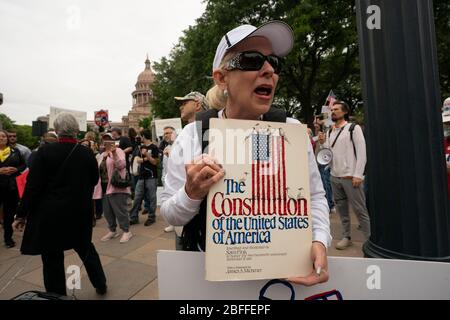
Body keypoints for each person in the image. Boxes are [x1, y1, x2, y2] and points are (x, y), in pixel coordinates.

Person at [161, 21, 331, 286]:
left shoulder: (292, 131)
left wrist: (319, 239)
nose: (269, 70)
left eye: (274, 62)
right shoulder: (193, 136)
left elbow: (316, 196)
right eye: (252, 60)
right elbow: (171, 214)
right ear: (221, 78)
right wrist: (191, 193)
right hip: (214, 282)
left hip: (282, 278)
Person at [13, 113, 107, 296]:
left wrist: (21, 214)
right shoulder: (87, 153)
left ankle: (57, 296)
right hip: (79, 213)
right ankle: (100, 283)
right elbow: (95, 180)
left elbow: (32, 187)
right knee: (86, 249)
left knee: (52, 258)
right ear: (76, 130)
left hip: (50, 215)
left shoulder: (44, 153)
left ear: (56, 131)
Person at [318, 101, 371, 250]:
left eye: (336, 109)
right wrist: (322, 143)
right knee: (342, 211)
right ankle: (346, 236)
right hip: (335, 177)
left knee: (360, 210)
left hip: (351, 177)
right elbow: (328, 154)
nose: (333, 112)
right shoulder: (330, 131)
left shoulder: (353, 129)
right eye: (332, 110)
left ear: (344, 112)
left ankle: (369, 240)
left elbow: (362, 153)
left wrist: (358, 175)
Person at [94, 133, 133, 243]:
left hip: (116, 186)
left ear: (113, 140)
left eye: (108, 139)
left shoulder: (119, 150)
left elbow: (121, 165)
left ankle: (126, 231)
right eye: (104, 139)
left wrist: (114, 152)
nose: (106, 141)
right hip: (103, 188)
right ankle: (112, 230)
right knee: (107, 212)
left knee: (120, 211)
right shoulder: (101, 155)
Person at [0, 129, 26, 248]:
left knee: (9, 213)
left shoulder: (15, 151)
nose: (2, 138)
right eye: (0, 137)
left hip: (11, 187)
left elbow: (23, 165)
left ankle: (8, 238)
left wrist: (17, 169)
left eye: (3, 137)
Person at [128, 129, 159, 226]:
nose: (139, 138)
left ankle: (151, 217)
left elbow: (155, 162)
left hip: (151, 176)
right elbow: (137, 159)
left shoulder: (154, 147)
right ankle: (133, 217)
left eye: (140, 136)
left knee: (152, 198)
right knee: (137, 197)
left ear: (144, 136)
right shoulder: (140, 147)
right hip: (141, 176)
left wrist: (146, 155)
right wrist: (141, 159)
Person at [160, 126, 177, 233]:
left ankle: (177, 224)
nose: (166, 135)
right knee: (169, 203)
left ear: (174, 133)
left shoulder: (179, 145)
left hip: (176, 181)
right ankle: (172, 223)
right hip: (167, 179)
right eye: (165, 133)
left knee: (176, 202)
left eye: (168, 132)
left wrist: (171, 155)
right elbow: (164, 166)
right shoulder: (166, 146)